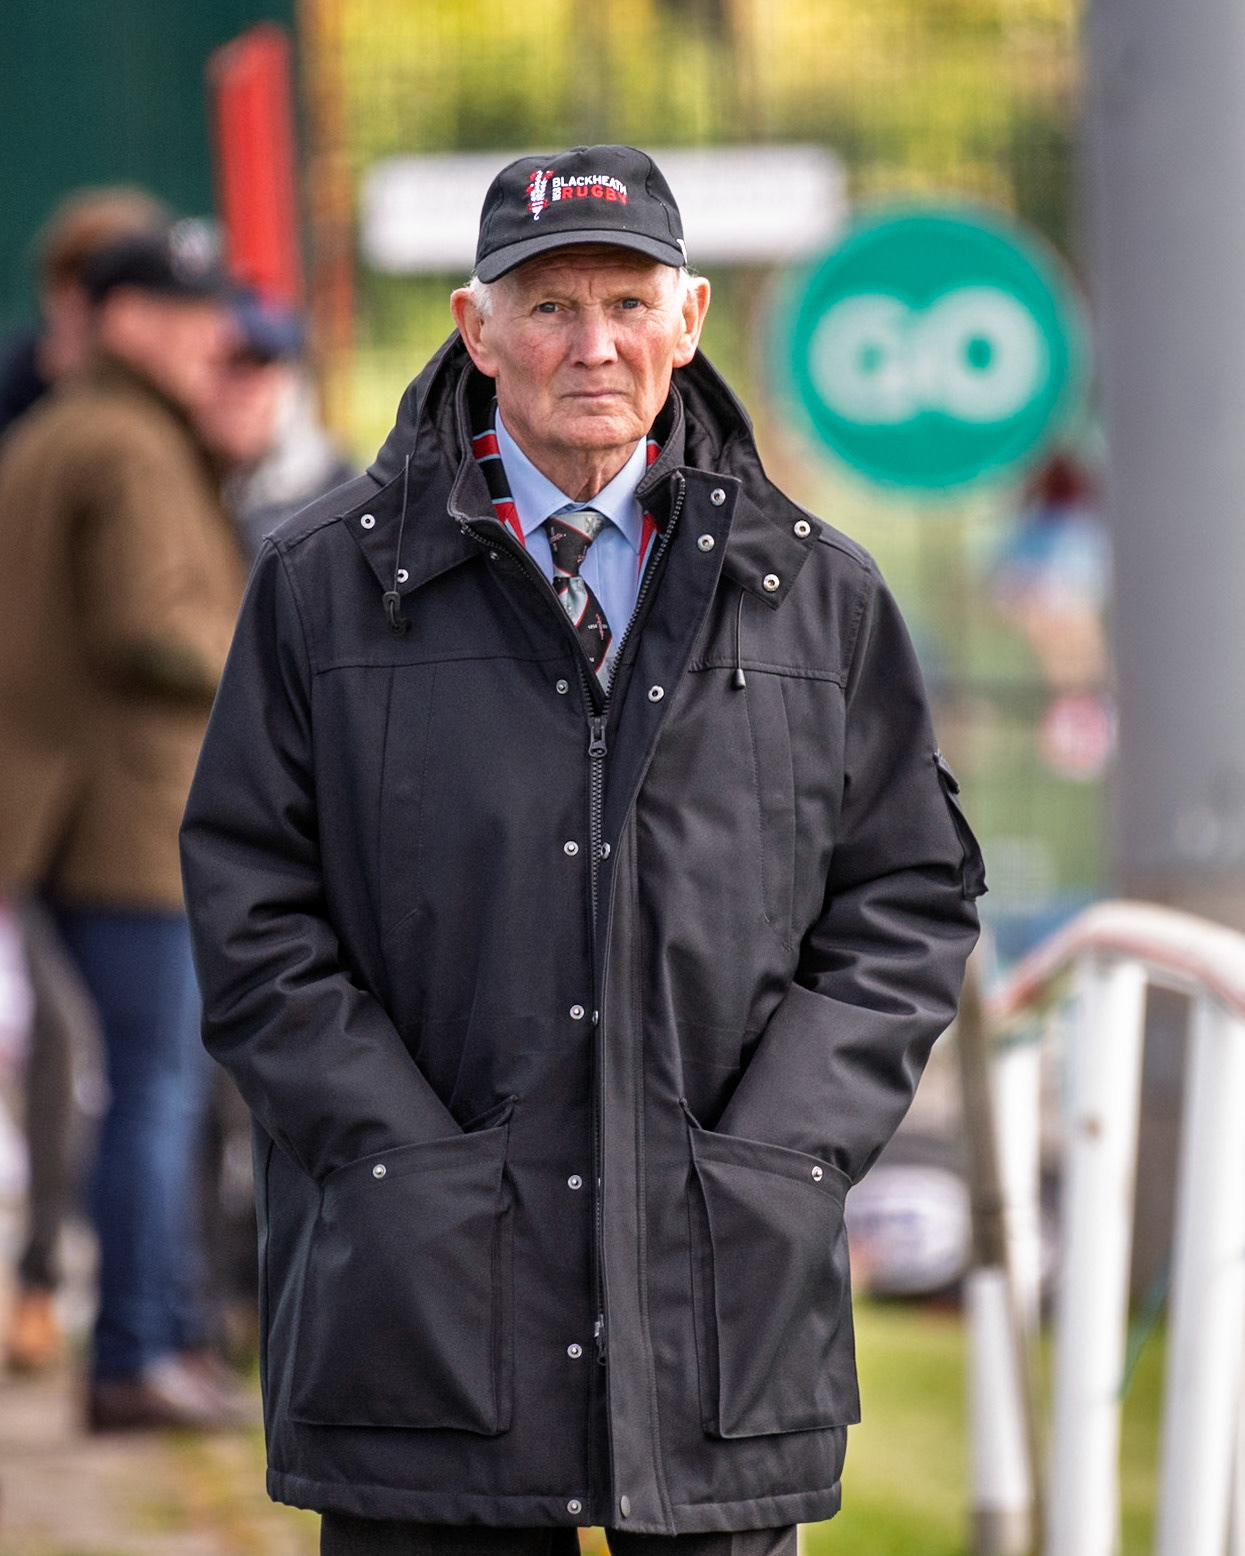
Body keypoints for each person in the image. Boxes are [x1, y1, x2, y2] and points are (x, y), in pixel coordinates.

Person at [181, 146, 985, 1553]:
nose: (592, 344)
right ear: (474, 328)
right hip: (419, 1312)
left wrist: (783, 1150)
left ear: (690, 320)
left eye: (627, 301)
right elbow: (252, 900)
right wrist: (393, 1159)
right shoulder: (322, 587)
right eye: (547, 306)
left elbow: (906, 895)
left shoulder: (817, 596)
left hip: (720, 1302)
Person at [0, 222, 249, 1429]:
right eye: (188, 311)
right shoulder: (129, 441)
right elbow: (149, 624)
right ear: (126, 318)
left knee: (144, 1077)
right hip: (130, 811)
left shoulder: (68, 428)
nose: (211, 335)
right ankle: (137, 1349)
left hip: (79, 809)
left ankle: (151, 1338)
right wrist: (274, 668)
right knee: (158, 1083)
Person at [0, 186, 168, 1375]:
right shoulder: (43, 412)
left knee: (87, 1044)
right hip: (38, 775)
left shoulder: (153, 414)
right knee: (72, 1039)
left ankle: (48, 1283)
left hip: (103, 786)